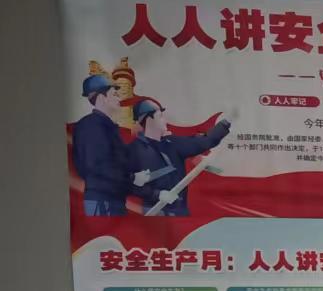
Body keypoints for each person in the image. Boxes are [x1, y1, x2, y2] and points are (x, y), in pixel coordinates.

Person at [127, 99, 230, 216]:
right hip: (154, 217)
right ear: (149, 119)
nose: (165, 121)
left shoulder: (172, 144)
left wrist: (225, 123)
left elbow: (205, 141)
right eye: (160, 116)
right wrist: (157, 194)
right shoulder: (133, 151)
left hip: (181, 214)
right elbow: (123, 183)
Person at [73, 73, 131, 216]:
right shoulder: (91, 126)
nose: (119, 98)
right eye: (114, 94)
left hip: (112, 201)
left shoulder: (107, 127)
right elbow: (97, 167)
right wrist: (132, 179)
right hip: (102, 203)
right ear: (101, 98)